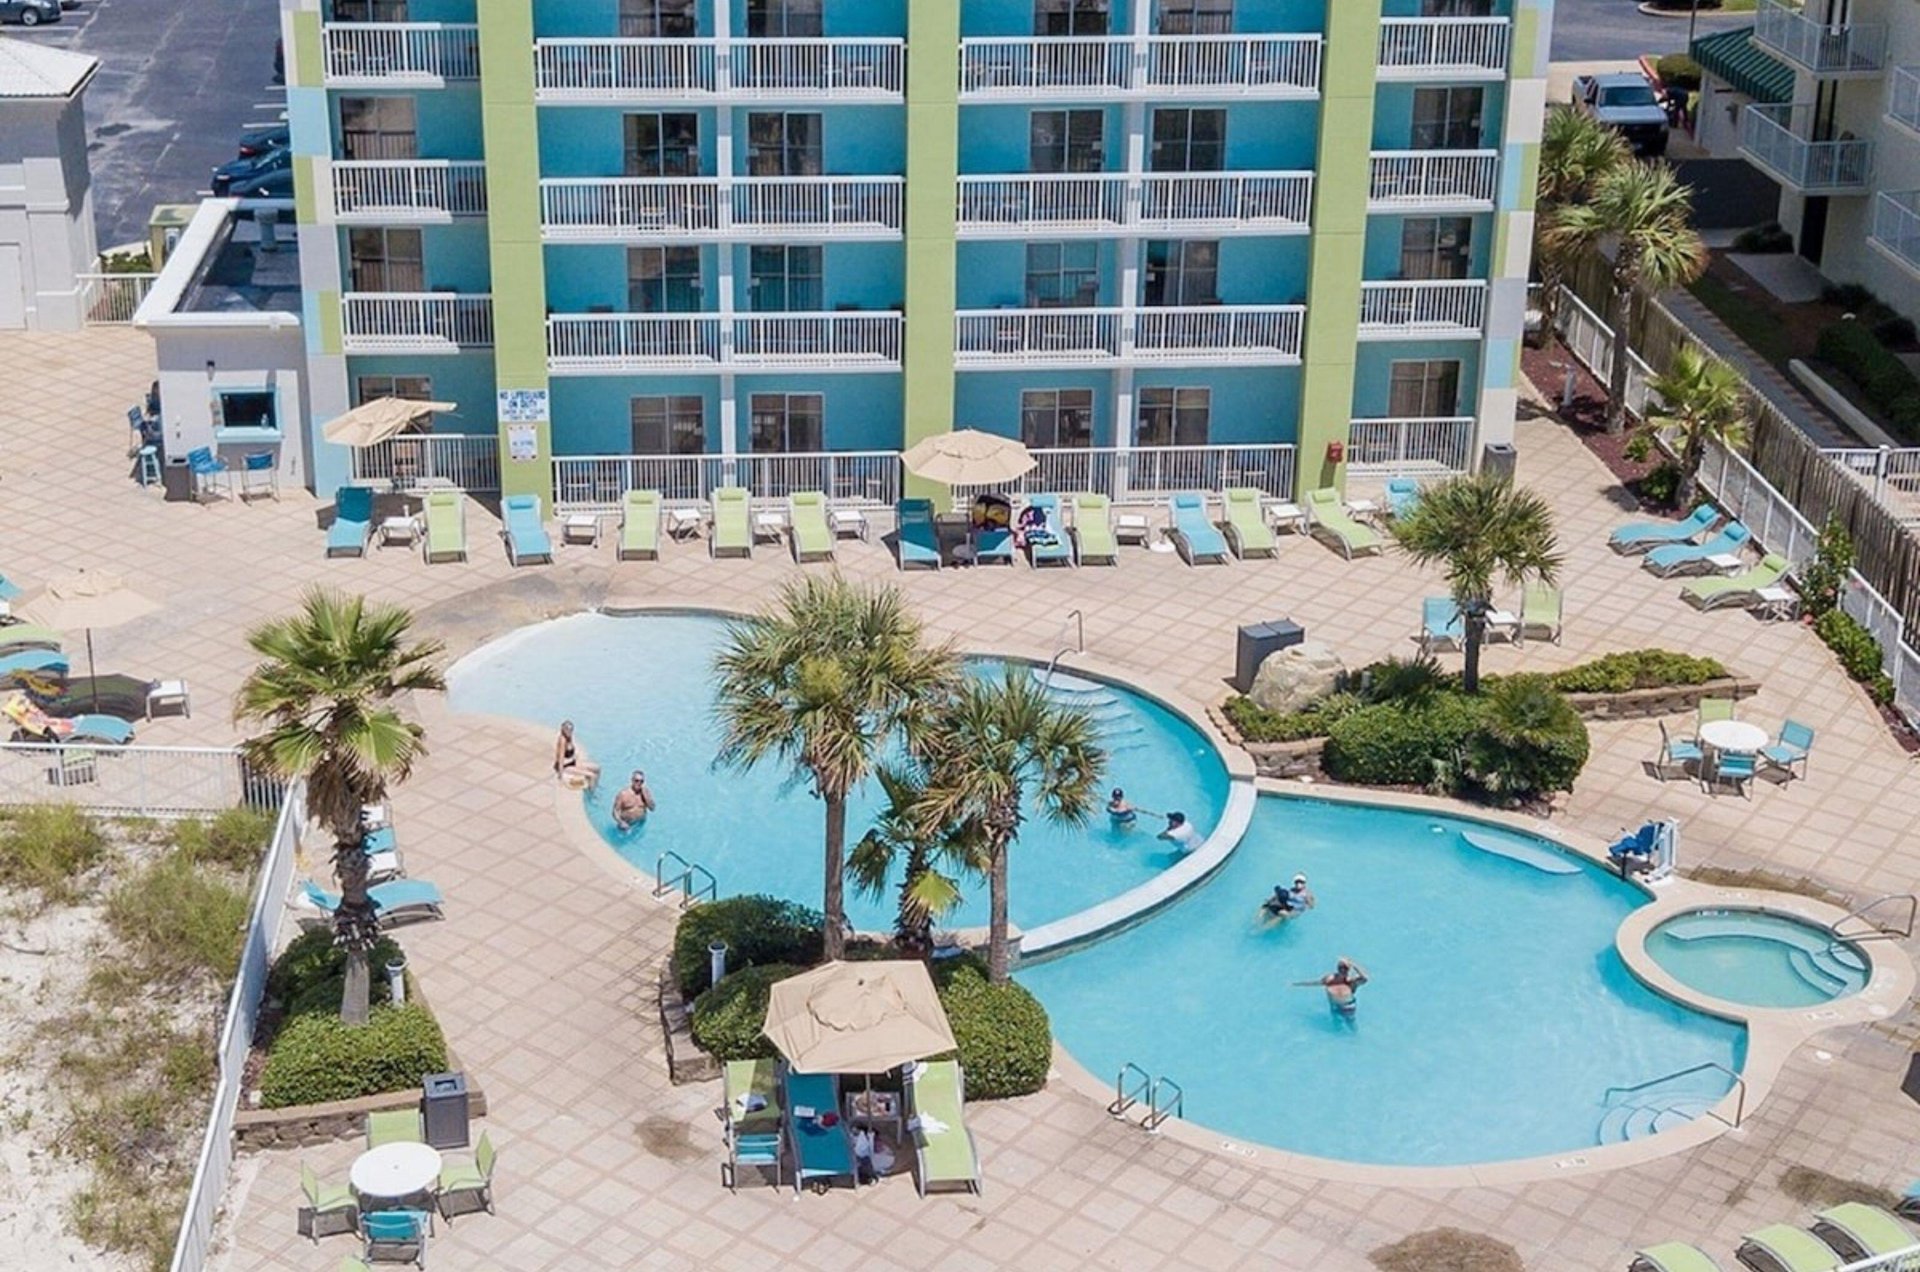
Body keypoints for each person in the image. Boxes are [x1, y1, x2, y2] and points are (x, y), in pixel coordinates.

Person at [553, 720, 599, 789]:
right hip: (566, 766)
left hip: (572, 763)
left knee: (597, 768)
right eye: (567, 729)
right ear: (563, 729)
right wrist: (560, 775)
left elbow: (571, 753)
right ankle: (591, 792)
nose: (569, 731)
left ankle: (594, 786)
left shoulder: (569, 737)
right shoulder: (563, 740)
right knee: (592, 775)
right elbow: (561, 758)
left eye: (571, 729)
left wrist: (576, 758)